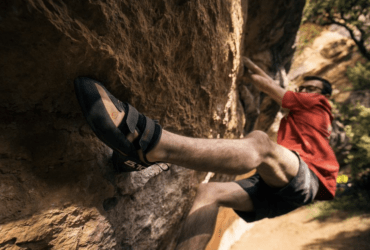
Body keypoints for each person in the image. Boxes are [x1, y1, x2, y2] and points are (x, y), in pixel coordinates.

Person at [74, 57, 339, 250]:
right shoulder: (311, 115)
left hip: (308, 177)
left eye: (311, 88)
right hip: (289, 190)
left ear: (323, 95)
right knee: (209, 193)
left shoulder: (318, 103)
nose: (304, 91)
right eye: (303, 87)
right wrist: (251, 64)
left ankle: (149, 145)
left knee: (261, 145)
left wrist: (248, 71)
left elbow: (268, 86)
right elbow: (270, 81)